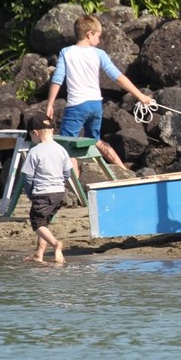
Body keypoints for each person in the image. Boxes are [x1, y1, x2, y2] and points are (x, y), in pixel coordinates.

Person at [46, 14, 155, 171]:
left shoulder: (66, 52)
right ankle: (124, 171)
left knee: (67, 144)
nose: (99, 40)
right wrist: (141, 96)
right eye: (98, 36)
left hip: (77, 105)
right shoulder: (99, 54)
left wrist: (50, 104)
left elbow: (57, 78)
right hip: (96, 105)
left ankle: (75, 184)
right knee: (95, 140)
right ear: (89, 34)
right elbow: (118, 77)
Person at [20, 115, 72, 264]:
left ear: (35, 133)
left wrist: (30, 193)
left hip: (43, 193)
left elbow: (28, 177)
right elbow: (67, 173)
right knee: (44, 224)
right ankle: (39, 254)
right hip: (59, 193)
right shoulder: (61, 149)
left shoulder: (35, 151)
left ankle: (56, 244)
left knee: (36, 223)